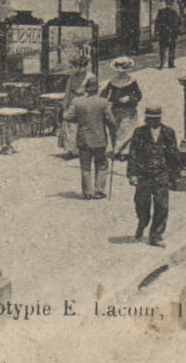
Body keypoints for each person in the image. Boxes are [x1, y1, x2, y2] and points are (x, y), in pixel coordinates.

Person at [126, 105, 179, 247]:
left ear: (160, 119)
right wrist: (132, 175)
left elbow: (173, 154)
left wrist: (174, 176)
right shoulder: (139, 133)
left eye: (155, 119)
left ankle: (156, 236)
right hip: (144, 175)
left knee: (162, 206)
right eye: (149, 119)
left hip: (161, 174)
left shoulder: (168, 132)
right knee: (141, 204)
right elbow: (133, 154)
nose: (152, 121)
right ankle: (142, 222)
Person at [67, 76, 116, 199]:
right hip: (100, 140)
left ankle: (87, 192)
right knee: (101, 165)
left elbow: (67, 116)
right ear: (97, 89)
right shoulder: (103, 102)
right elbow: (111, 121)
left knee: (85, 166)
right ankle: (99, 190)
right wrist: (114, 137)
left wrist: (79, 119)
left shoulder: (77, 102)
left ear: (86, 89)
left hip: (83, 139)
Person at [102, 58, 143, 160]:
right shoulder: (113, 81)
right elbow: (105, 93)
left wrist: (129, 98)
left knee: (127, 130)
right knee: (116, 130)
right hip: (115, 109)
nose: (121, 73)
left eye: (123, 71)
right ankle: (117, 150)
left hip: (129, 109)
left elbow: (138, 95)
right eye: (119, 71)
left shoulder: (132, 81)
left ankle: (125, 152)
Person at [153, 0, 180, 69]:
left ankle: (162, 63)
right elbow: (177, 23)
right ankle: (171, 64)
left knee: (162, 49)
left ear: (165, 3)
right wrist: (176, 33)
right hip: (171, 34)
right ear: (172, 3)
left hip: (163, 33)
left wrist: (156, 32)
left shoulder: (161, 11)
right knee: (171, 49)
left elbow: (157, 22)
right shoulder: (174, 12)